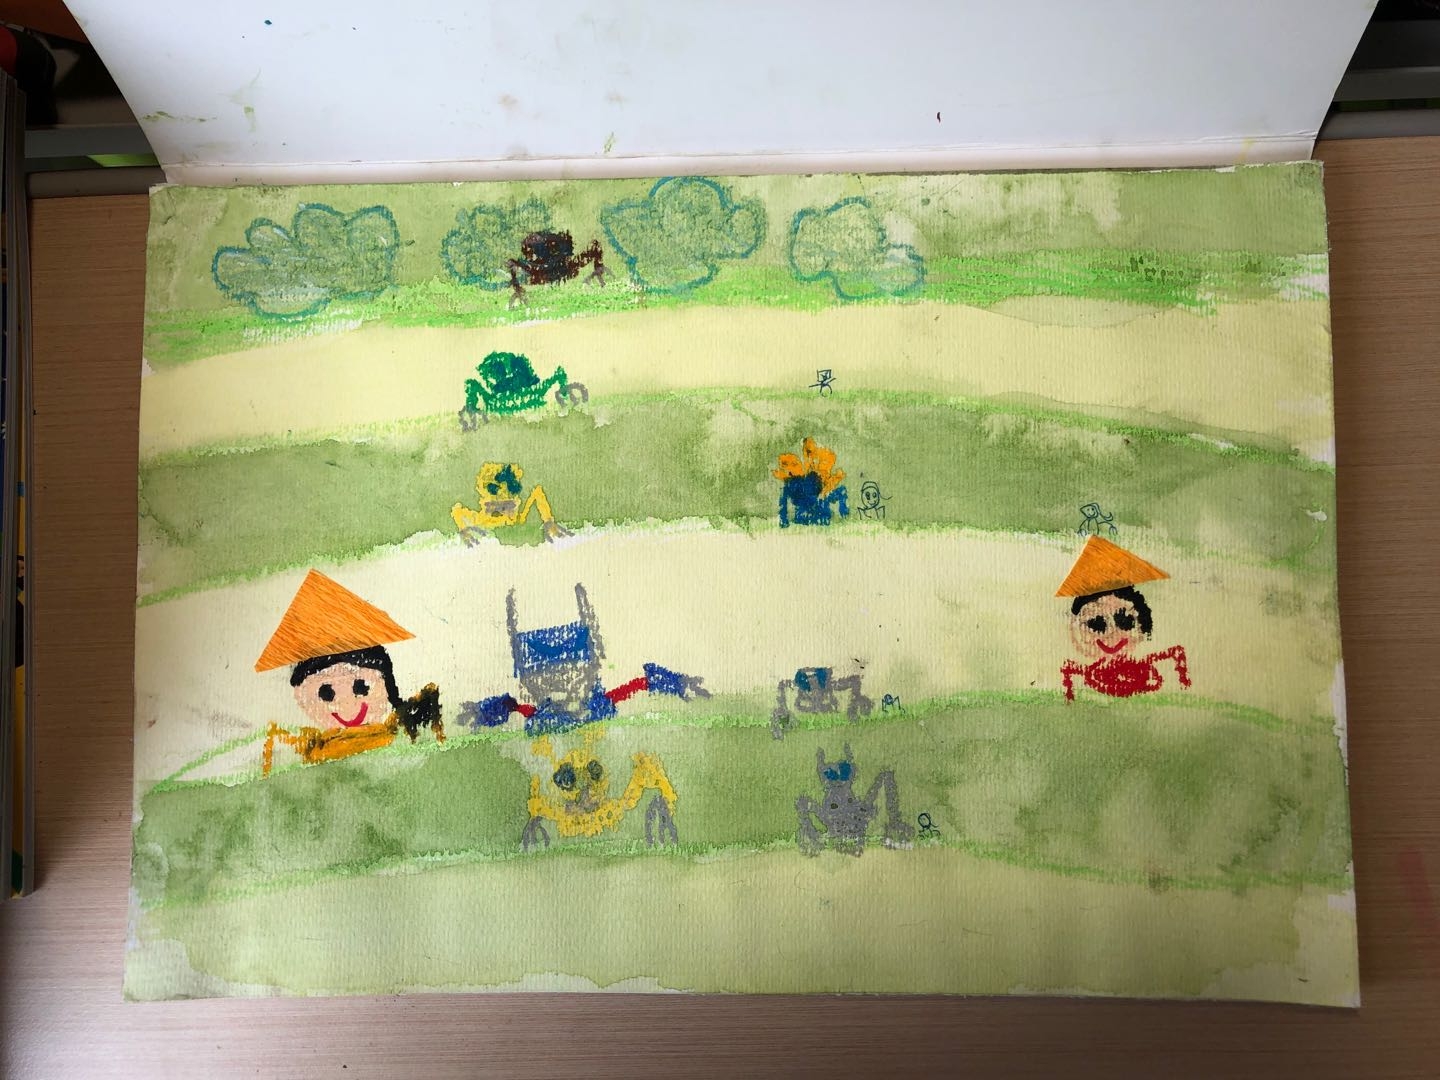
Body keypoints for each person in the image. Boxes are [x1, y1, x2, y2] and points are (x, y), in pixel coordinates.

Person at [255, 569, 442, 776]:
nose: (347, 706)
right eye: (326, 693)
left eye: (361, 687)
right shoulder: (305, 749)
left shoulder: (406, 735)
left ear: (386, 683)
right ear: (302, 697)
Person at [1056, 536, 1190, 702]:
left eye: (1125, 622)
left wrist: (1184, 681)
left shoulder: (1149, 667)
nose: (1112, 633)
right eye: (1097, 624)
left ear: (1142, 623)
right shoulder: (1081, 672)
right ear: (1074, 629)